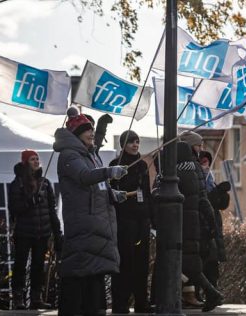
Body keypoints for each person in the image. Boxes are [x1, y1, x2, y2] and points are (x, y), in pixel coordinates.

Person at [54, 109, 128, 316]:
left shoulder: (89, 155)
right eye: (87, 130)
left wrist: (113, 194)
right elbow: (85, 177)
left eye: (92, 129)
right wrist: (109, 172)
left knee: (93, 271)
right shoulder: (69, 155)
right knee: (79, 270)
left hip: (95, 222)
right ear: (77, 134)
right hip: (83, 222)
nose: (91, 133)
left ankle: (94, 309)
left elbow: (97, 187)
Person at [8, 149, 62, 310]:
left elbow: (51, 209)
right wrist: (31, 201)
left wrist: (56, 232)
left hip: (42, 231)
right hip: (24, 232)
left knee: (38, 265)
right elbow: (14, 208)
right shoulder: (17, 183)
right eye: (32, 159)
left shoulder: (45, 183)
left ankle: (36, 297)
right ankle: (18, 298)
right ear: (25, 162)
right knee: (20, 265)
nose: (36, 161)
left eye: (37, 158)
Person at [176, 135, 225, 312]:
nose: (199, 148)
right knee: (189, 264)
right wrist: (211, 223)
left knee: (183, 264)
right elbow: (203, 199)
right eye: (197, 145)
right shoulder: (196, 169)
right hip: (195, 224)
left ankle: (210, 294)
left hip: (179, 225)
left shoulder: (174, 172)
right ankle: (207, 293)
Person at [108, 130, 154, 314]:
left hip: (141, 219)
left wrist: (150, 217)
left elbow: (147, 192)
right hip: (124, 220)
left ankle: (142, 301)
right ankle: (121, 302)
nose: (135, 145)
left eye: (137, 142)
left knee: (141, 263)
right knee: (125, 262)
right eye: (131, 142)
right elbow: (111, 192)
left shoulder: (142, 165)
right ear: (123, 145)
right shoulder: (115, 165)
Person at [198, 150, 231, 291]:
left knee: (212, 262)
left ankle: (213, 290)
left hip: (214, 224)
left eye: (207, 162)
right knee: (204, 260)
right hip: (203, 225)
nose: (205, 166)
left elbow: (220, 205)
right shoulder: (198, 179)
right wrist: (218, 192)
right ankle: (204, 292)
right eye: (202, 162)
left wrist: (223, 193)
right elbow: (204, 201)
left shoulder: (210, 179)